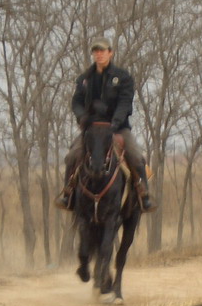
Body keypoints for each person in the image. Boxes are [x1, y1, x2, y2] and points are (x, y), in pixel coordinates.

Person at [54, 37, 156, 212]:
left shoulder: (123, 77)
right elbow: (76, 102)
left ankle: (143, 194)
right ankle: (68, 193)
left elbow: (125, 102)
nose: (99, 54)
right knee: (72, 156)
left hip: (118, 127)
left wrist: (115, 122)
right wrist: (81, 117)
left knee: (136, 156)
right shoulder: (84, 79)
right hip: (92, 130)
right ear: (93, 54)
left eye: (102, 51)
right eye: (96, 51)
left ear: (110, 53)